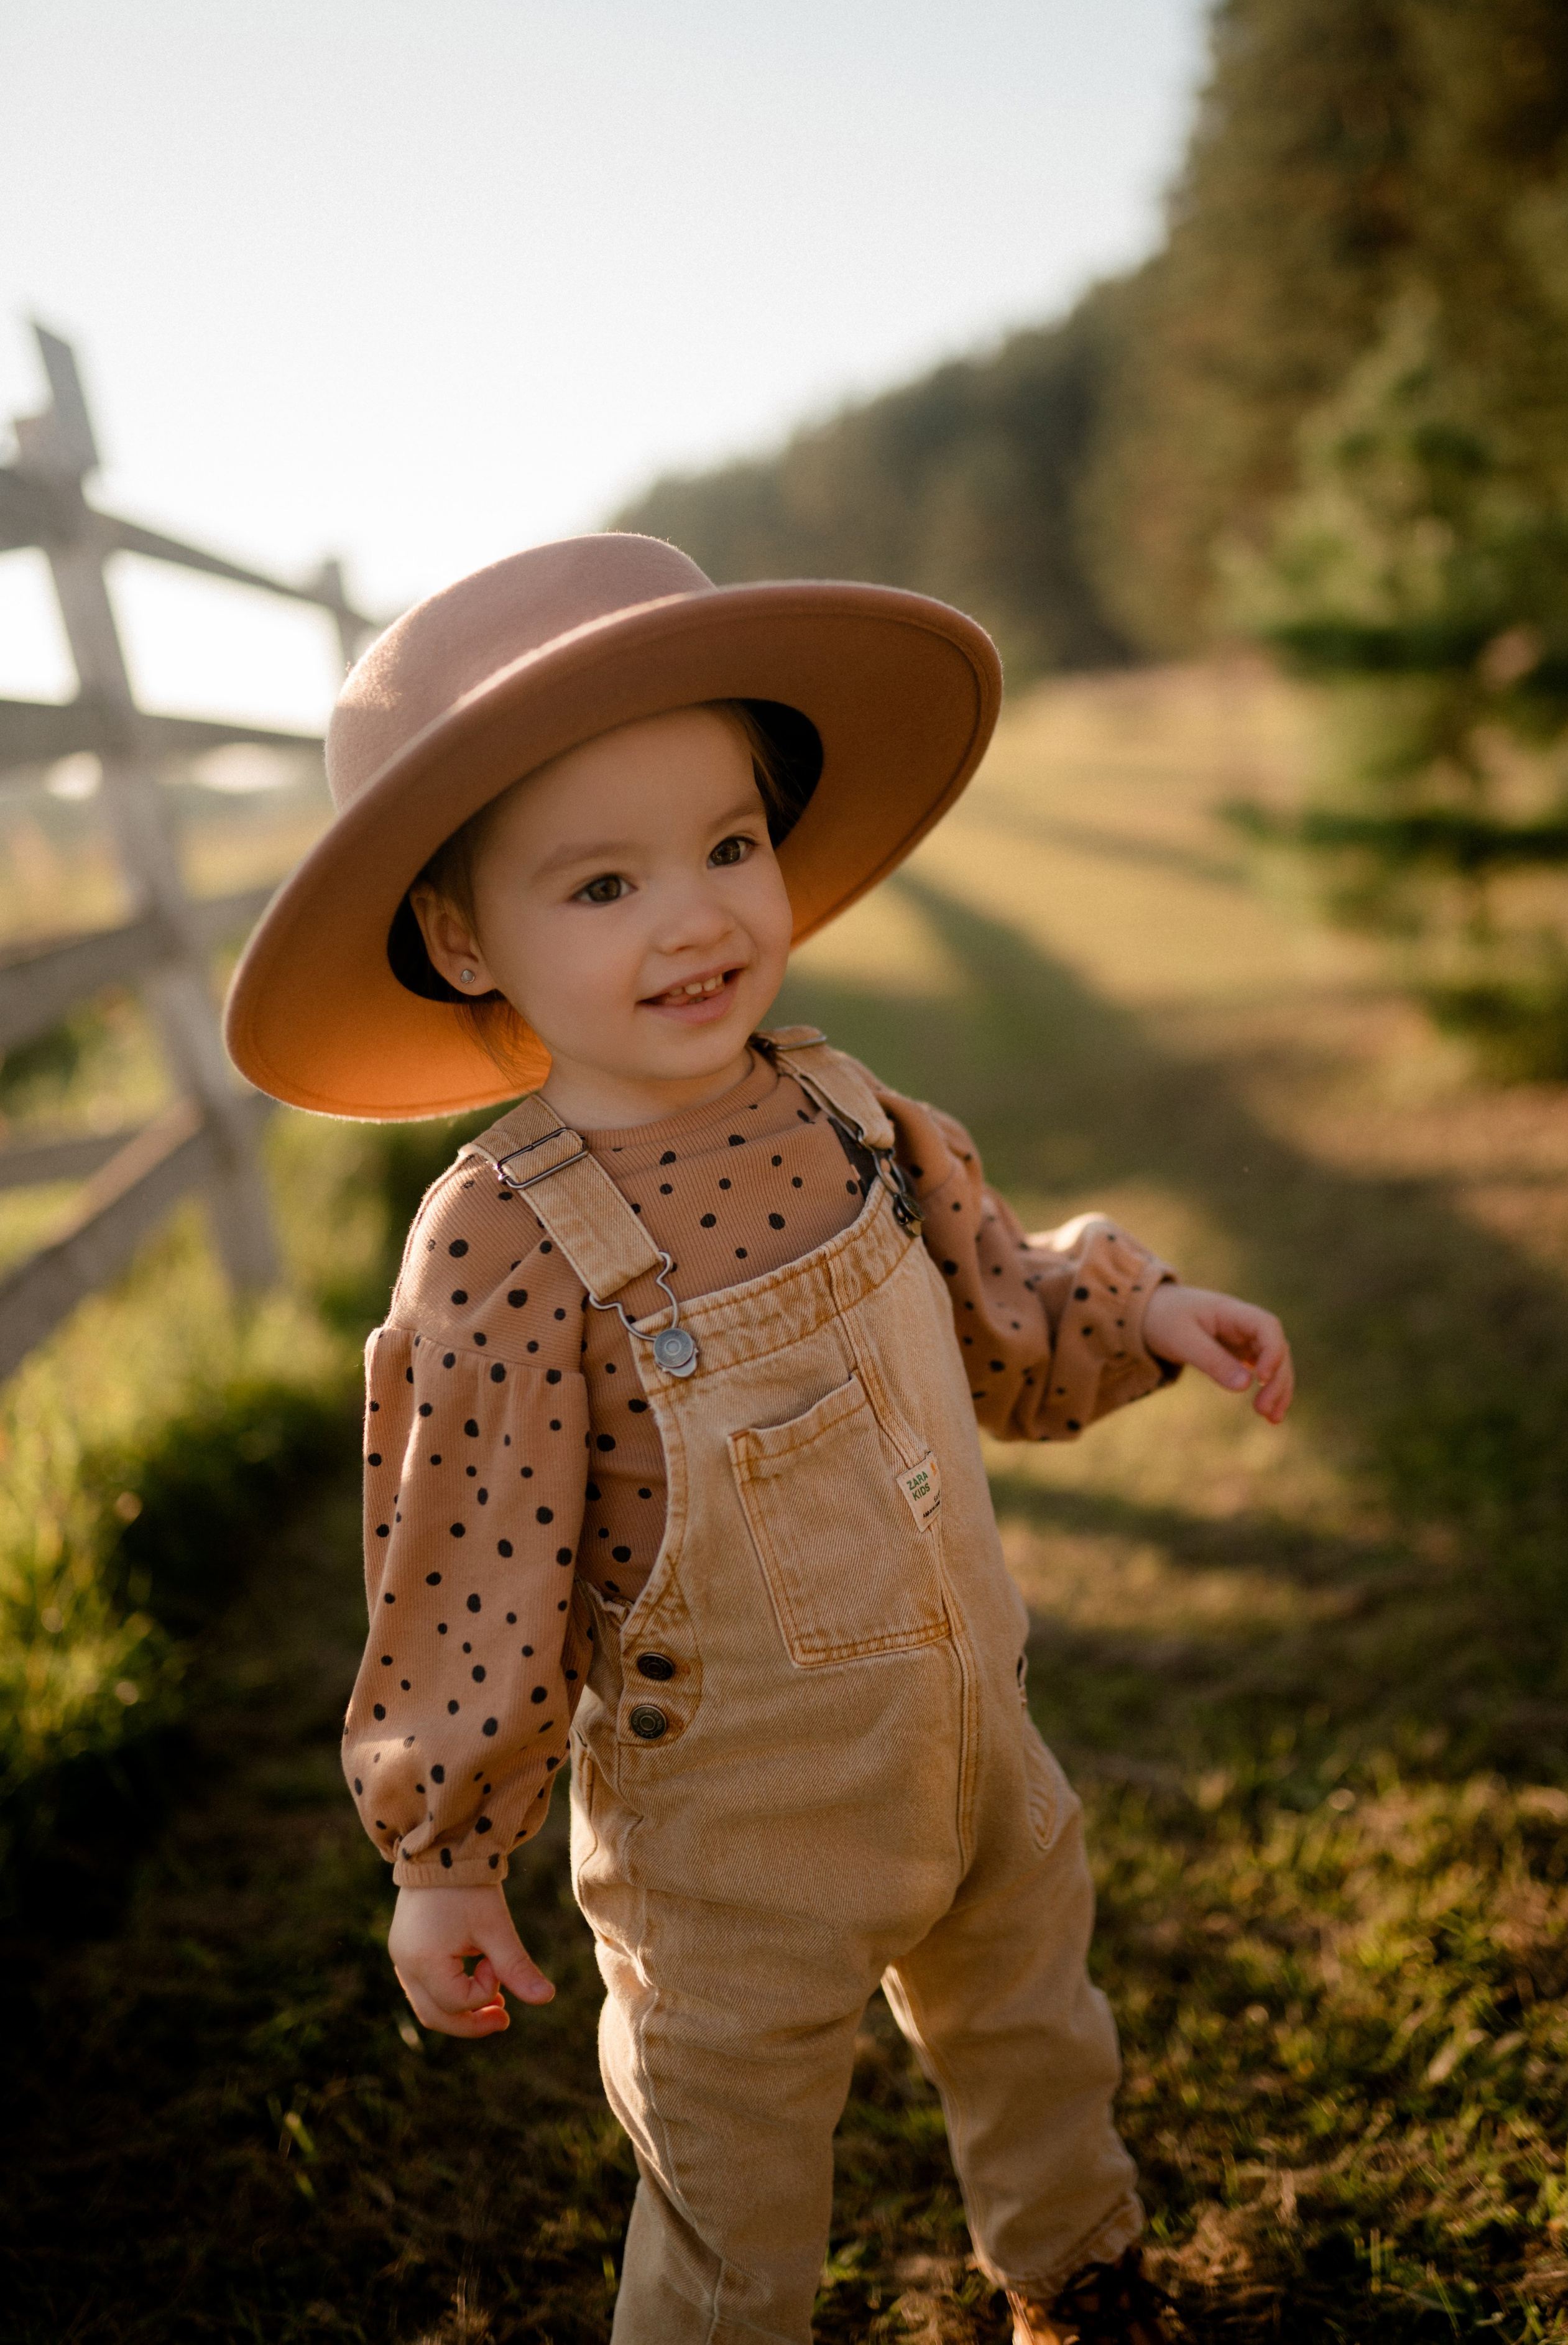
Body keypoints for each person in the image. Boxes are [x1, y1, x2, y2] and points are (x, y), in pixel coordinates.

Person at [227, 533, 1293, 2345]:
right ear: (461, 932)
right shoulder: (505, 1235)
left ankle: (1078, 2273)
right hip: (729, 1839)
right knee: (733, 2181)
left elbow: (998, 1312)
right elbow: (469, 1559)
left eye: (729, 846)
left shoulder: (851, 1113)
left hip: (974, 1751)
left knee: (1039, 2032)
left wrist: (1141, 1313)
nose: (697, 916)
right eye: (603, 883)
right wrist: (445, 1855)